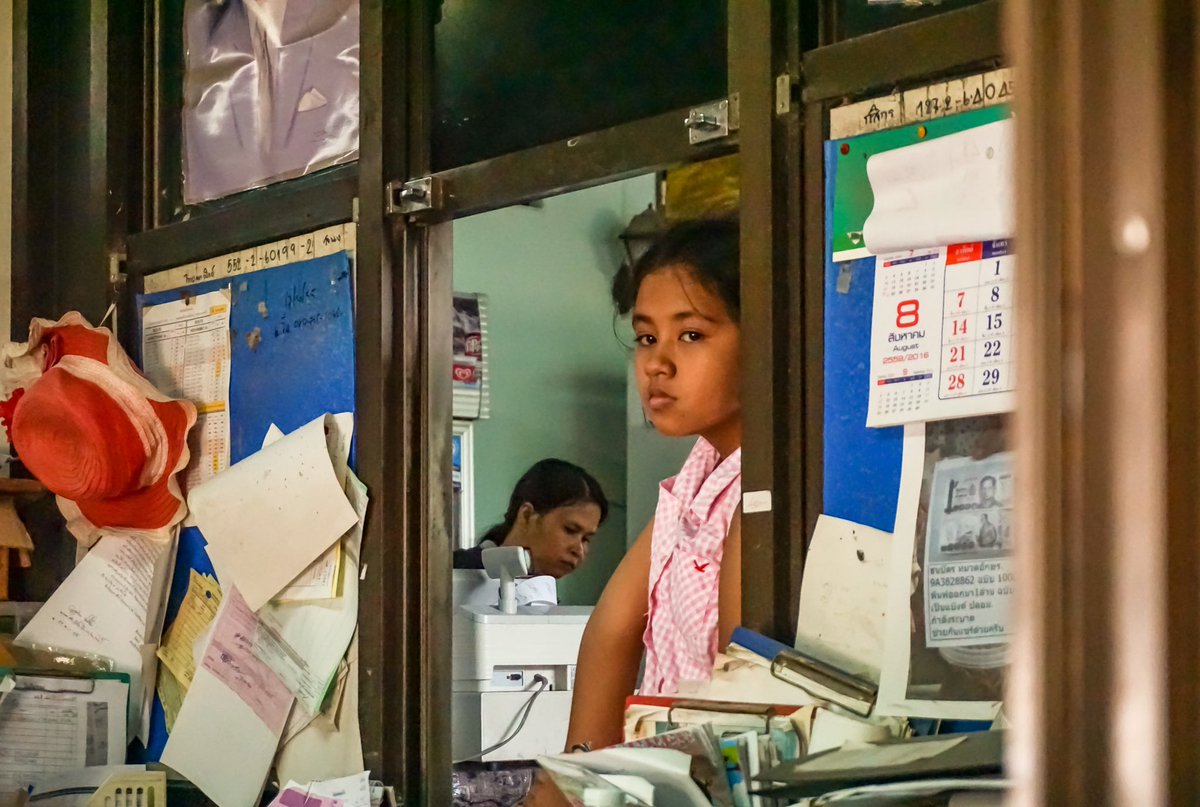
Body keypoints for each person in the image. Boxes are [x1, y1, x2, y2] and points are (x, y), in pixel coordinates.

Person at [566, 218, 742, 750]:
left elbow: (746, 691)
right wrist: (578, 779)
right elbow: (610, 632)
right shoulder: (697, 478)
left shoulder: (764, 488)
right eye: (646, 337)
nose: (656, 364)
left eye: (691, 335)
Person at [453, 459, 609, 579]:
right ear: (527, 515)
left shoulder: (543, 596)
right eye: (570, 530)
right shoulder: (455, 574)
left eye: (586, 539)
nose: (579, 551)